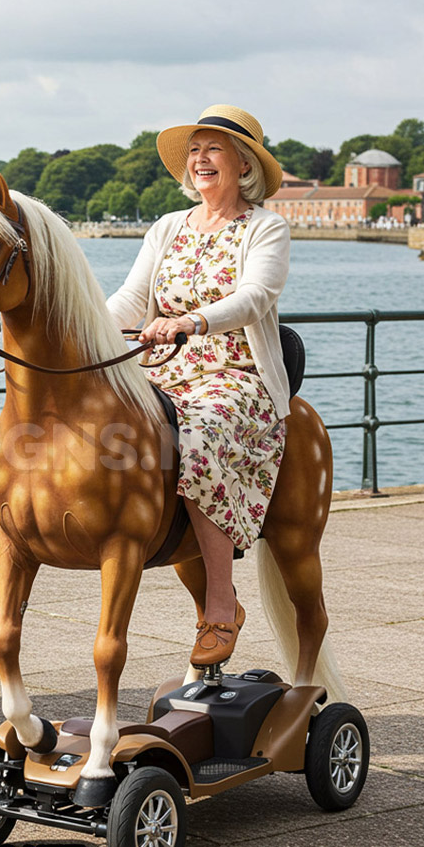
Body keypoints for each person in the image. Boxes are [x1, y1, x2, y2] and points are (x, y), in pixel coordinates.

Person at [106, 104, 289, 667]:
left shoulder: (266, 227)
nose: (200, 159)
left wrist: (191, 321)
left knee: (200, 436)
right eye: (194, 150)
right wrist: (86, 329)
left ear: (243, 164)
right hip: (163, 367)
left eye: (214, 149)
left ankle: (219, 602)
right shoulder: (167, 227)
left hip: (235, 373)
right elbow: (131, 301)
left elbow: (256, 296)